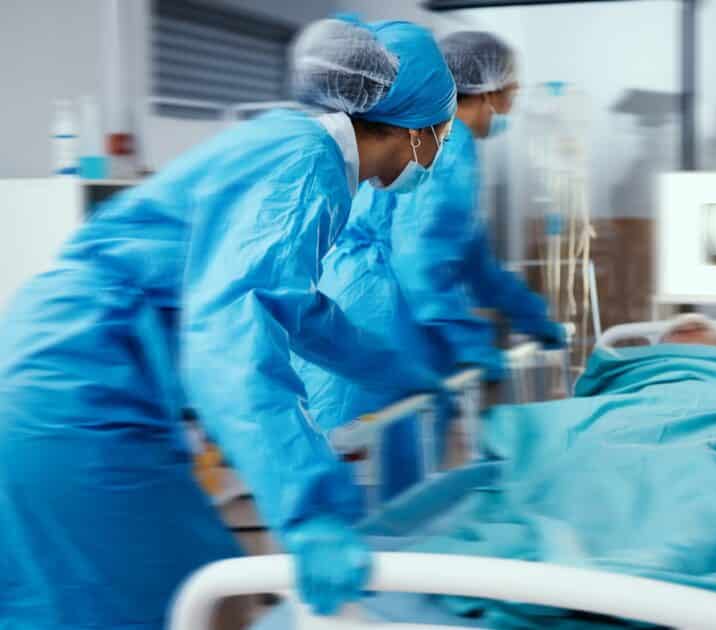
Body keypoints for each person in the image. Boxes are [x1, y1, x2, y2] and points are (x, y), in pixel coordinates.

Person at [0, 15, 456, 629]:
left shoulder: (294, 144)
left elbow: (291, 306)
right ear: (417, 132)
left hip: (64, 362)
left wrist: (386, 364)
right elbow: (233, 331)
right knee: (169, 604)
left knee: (185, 594)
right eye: (442, 134)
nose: (439, 151)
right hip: (79, 391)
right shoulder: (307, 165)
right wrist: (310, 508)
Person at [295, 31, 563, 499]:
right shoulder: (447, 147)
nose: (514, 101)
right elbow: (420, 261)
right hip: (378, 314)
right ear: (489, 91)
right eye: (513, 89)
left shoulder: (444, 147)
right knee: (384, 488)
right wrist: (468, 341)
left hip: (361, 302)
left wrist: (531, 316)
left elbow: (472, 259)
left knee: (390, 478)